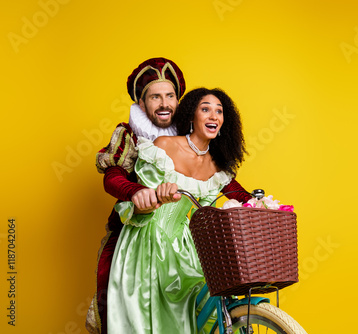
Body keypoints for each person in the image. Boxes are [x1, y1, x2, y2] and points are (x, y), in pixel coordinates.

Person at [86, 58, 251, 333]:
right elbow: (113, 175)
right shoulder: (133, 135)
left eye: (170, 96)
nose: (164, 104)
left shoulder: (195, 136)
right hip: (140, 227)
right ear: (141, 103)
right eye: (155, 97)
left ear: (180, 102)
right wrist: (139, 192)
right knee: (119, 301)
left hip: (185, 241)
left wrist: (262, 203)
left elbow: (232, 188)